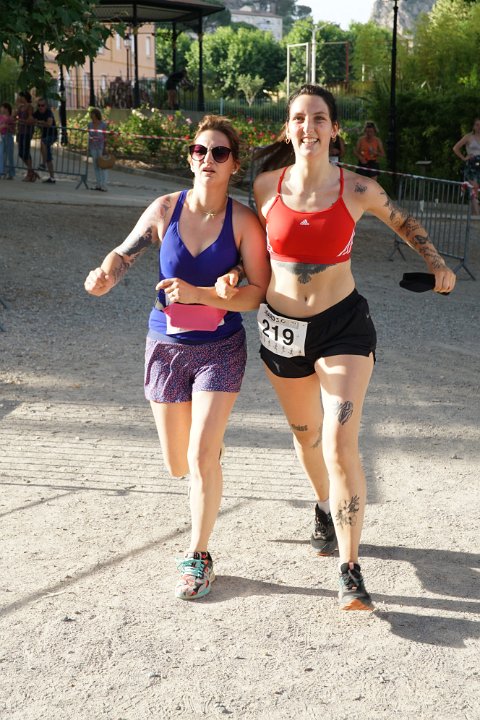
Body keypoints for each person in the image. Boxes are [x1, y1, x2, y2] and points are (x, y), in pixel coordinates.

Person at [248, 84, 455, 611]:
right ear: (288, 129)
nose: (309, 127)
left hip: (343, 328)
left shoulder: (358, 189)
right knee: (306, 436)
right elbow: (248, 249)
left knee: (340, 444)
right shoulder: (266, 186)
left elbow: (403, 221)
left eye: (319, 118)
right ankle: (324, 505)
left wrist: (437, 264)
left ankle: (349, 568)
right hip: (281, 329)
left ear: (334, 129)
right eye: (299, 118)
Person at [84, 115, 270, 600]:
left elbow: (257, 295)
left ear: (233, 164)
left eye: (219, 153)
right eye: (199, 150)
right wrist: (104, 276)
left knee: (200, 455)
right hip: (165, 347)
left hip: (220, 349)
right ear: (190, 158)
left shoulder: (243, 222)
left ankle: (198, 555)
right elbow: (122, 253)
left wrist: (203, 293)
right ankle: (208, 457)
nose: (208, 159)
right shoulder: (166, 208)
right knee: (177, 464)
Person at [452, 117, 480, 215]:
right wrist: (463, 158)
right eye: (477, 125)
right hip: (472, 165)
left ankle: (474, 214)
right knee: (474, 187)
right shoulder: (468, 137)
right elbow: (455, 148)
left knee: (476, 189)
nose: (479, 127)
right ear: (473, 126)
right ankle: (477, 214)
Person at [33, 98, 57, 184]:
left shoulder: (48, 112)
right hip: (44, 135)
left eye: (42, 105)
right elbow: (31, 119)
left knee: (43, 143)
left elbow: (49, 123)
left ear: (46, 106)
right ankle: (52, 177)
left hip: (52, 135)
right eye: (39, 105)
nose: (40, 107)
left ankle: (43, 164)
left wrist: (39, 122)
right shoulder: (37, 112)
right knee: (48, 156)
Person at [15, 91, 38, 182]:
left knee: (26, 152)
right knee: (21, 153)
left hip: (27, 132)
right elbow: (14, 116)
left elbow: (30, 120)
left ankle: (30, 174)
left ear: (24, 97)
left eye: (20, 96)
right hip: (20, 132)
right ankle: (31, 172)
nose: (19, 98)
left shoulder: (29, 107)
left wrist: (21, 120)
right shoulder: (20, 107)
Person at [88, 108, 108, 192]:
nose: (92, 117)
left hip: (100, 147)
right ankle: (98, 184)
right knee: (96, 166)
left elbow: (105, 136)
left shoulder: (103, 125)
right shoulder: (90, 124)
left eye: (93, 115)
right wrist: (89, 144)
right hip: (93, 147)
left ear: (97, 115)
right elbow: (89, 135)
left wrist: (105, 148)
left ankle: (104, 184)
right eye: (91, 115)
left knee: (102, 165)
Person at [0, 102, 16, 180]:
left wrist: (9, 127)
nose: (1, 109)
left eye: (2, 107)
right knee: (2, 155)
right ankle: (2, 171)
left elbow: (13, 130)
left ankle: (11, 173)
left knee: (9, 155)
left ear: (6, 108)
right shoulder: (0, 117)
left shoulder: (11, 118)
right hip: (2, 137)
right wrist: (3, 126)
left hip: (8, 137)